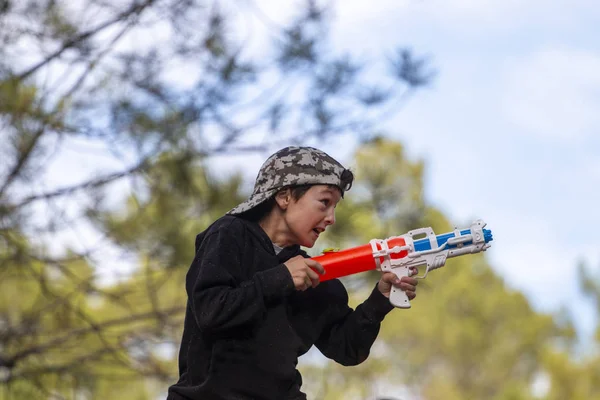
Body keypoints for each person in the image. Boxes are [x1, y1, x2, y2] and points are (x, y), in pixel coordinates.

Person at [167, 146, 418, 400]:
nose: (331, 218)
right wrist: (280, 279)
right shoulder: (229, 234)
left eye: (335, 207)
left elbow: (348, 349)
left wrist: (380, 300)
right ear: (284, 196)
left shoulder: (311, 274)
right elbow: (210, 311)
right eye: (324, 202)